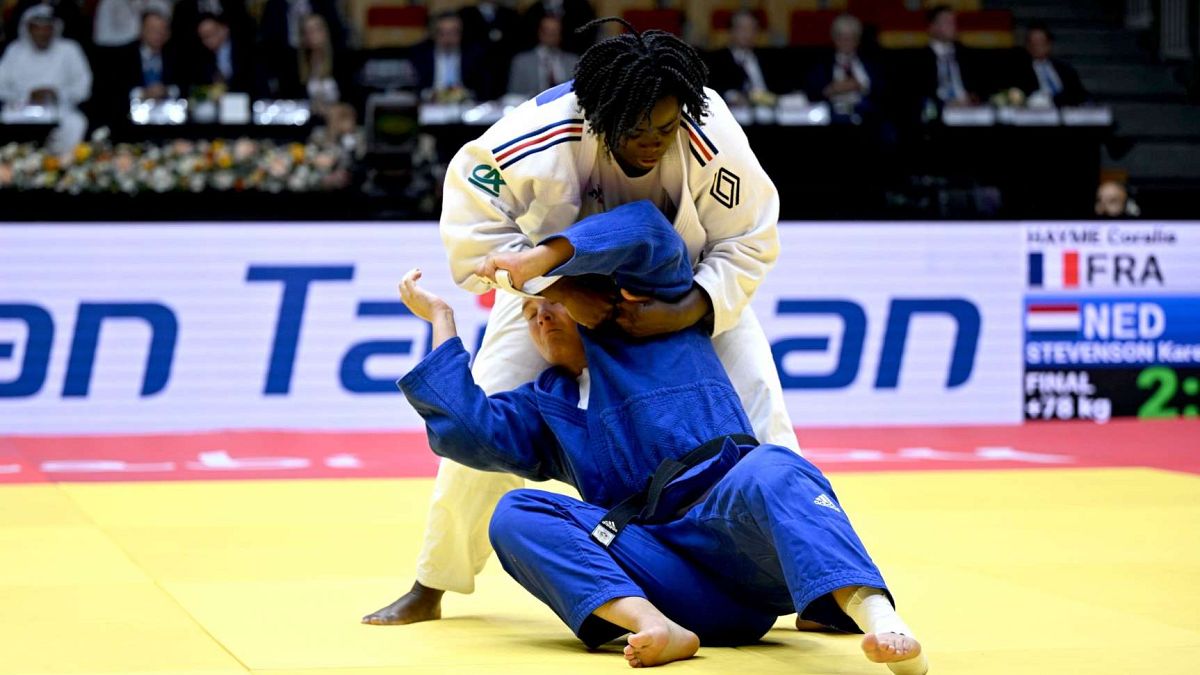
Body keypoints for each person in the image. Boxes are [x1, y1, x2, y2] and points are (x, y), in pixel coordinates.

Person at [363, 18, 800, 628]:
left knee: (764, 413)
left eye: (664, 129)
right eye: (635, 129)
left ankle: (817, 589)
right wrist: (561, 289)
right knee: (487, 409)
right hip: (551, 288)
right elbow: (474, 234)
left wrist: (689, 307)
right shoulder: (532, 137)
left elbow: (750, 240)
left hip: (684, 283)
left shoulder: (708, 129)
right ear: (598, 117)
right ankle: (432, 582)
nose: (652, 142)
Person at [393, 202, 929, 674]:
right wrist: (442, 320)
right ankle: (650, 626)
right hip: (666, 575)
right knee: (513, 514)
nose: (541, 316)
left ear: (587, 297)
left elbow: (646, 227)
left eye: (552, 303)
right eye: (529, 313)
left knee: (775, 467)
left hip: (741, 538)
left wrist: (540, 271)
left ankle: (878, 619)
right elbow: (467, 431)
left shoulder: (651, 320)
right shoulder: (544, 405)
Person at [0, 5, 92, 156]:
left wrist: (57, 94)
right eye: (38, 28)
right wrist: (27, 96)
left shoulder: (69, 49)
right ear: (29, 29)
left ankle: (60, 166)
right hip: (21, 109)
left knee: (77, 122)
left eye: (47, 28)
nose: (43, 33)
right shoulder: (15, 51)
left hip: (60, 108)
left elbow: (84, 85)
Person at [805, 14, 883, 123]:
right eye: (841, 37)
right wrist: (831, 90)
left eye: (851, 38)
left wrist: (861, 86)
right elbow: (811, 94)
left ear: (858, 40)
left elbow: (882, 93)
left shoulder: (871, 64)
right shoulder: (822, 65)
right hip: (833, 118)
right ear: (834, 38)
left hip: (866, 117)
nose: (846, 42)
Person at [910, 5, 985, 109]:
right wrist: (943, 104)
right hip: (937, 112)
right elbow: (918, 95)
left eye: (953, 21)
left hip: (969, 110)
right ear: (932, 27)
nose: (952, 26)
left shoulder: (967, 54)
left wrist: (973, 98)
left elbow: (981, 87)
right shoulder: (919, 59)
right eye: (946, 22)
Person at [706, 9, 780, 108]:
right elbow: (711, 89)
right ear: (731, 31)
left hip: (771, 112)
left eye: (752, 28)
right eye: (742, 29)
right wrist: (733, 97)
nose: (748, 33)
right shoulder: (717, 59)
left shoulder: (768, 58)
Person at [409, 11, 488, 102]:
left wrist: (465, 95)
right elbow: (413, 85)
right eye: (442, 33)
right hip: (430, 104)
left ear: (461, 33)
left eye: (453, 32)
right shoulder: (420, 53)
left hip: (466, 104)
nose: (448, 38)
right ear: (433, 34)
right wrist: (428, 95)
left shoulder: (474, 53)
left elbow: (482, 87)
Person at [1011, 23, 1087, 107]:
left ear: (1049, 44)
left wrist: (1053, 100)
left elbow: (1079, 94)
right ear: (1027, 46)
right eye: (1033, 43)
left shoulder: (1065, 69)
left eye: (1040, 42)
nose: (1036, 46)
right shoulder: (1020, 71)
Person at [507, 15, 577, 98]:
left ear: (560, 34)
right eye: (547, 31)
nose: (551, 35)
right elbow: (514, 95)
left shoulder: (573, 61)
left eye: (555, 31)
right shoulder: (522, 62)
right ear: (540, 32)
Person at [191, 13, 254, 94]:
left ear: (225, 29)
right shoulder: (201, 56)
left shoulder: (244, 50)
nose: (208, 40)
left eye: (212, 33)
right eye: (204, 36)